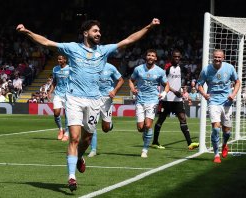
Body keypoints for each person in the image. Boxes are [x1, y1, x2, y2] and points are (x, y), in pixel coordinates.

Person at [17, 18, 160, 191]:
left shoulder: (103, 50)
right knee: (75, 138)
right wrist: (27, 32)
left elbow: (129, 40)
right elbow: (47, 42)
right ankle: (71, 177)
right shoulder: (72, 48)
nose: (99, 34)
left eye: (99, 31)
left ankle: (79, 158)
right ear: (86, 33)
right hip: (74, 99)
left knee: (87, 139)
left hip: (94, 100)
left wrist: (149, 26)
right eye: (95, 31)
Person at [197, 49, 240, 163]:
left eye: (219, 57)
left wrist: (233, 94)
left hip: (227, 102)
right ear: (212, 57)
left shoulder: (229, 68)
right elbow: (199, 85)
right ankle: (216, 155)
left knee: (227, 131)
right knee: (216, 128)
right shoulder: (206, 70)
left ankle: (224, 144)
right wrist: (204, 94)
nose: (217, 59)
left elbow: (237, 82)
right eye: (215, 57)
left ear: (223, 58)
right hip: (213, 102)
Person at [151, 50, 199, 150]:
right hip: (167, 99)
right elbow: (164, 83)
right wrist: (174, 91)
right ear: (171, 57)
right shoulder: (167, 68)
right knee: (161, 120)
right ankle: (155, 142)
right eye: (175, 57)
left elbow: (186, 75)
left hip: (177, 100)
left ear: (180, 57)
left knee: (182, 118)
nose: (176, 58)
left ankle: (190, 143)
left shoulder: (181, 68)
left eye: (178, 57)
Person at [129, 49, 169, 158]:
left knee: (148, 125)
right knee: (140, 128)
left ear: (156, 58)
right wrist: (133, 89)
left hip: (152, 100)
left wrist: (164, 93)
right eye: (149, 55)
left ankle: (145, 150)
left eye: (153, 56)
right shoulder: (138, 69)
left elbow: (166, 84)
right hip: (140, 100)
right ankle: (145, 134)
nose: (150, 57)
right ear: (146, 57)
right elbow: (131, 80)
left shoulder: (160, 71)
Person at [88, 62, 124, 157]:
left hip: (106, 98)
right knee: (92, 124)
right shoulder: (91, 66)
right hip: (94, 98)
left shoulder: (111, 67)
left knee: (106, 129)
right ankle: (93, 149)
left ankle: (110, 124)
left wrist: (114, 91)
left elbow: (121, 80)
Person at [47, 55, 70, 142]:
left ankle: (67, 133)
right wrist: (50, 91)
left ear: (65, 59)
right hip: (58, 94)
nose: (59, 60)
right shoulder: (55, 69)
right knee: (56, 113)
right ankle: (61, 129)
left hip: (68, 94)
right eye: (58, 59)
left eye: (60, 59)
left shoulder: (70, 68)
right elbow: (54, 82)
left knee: (68, 115)